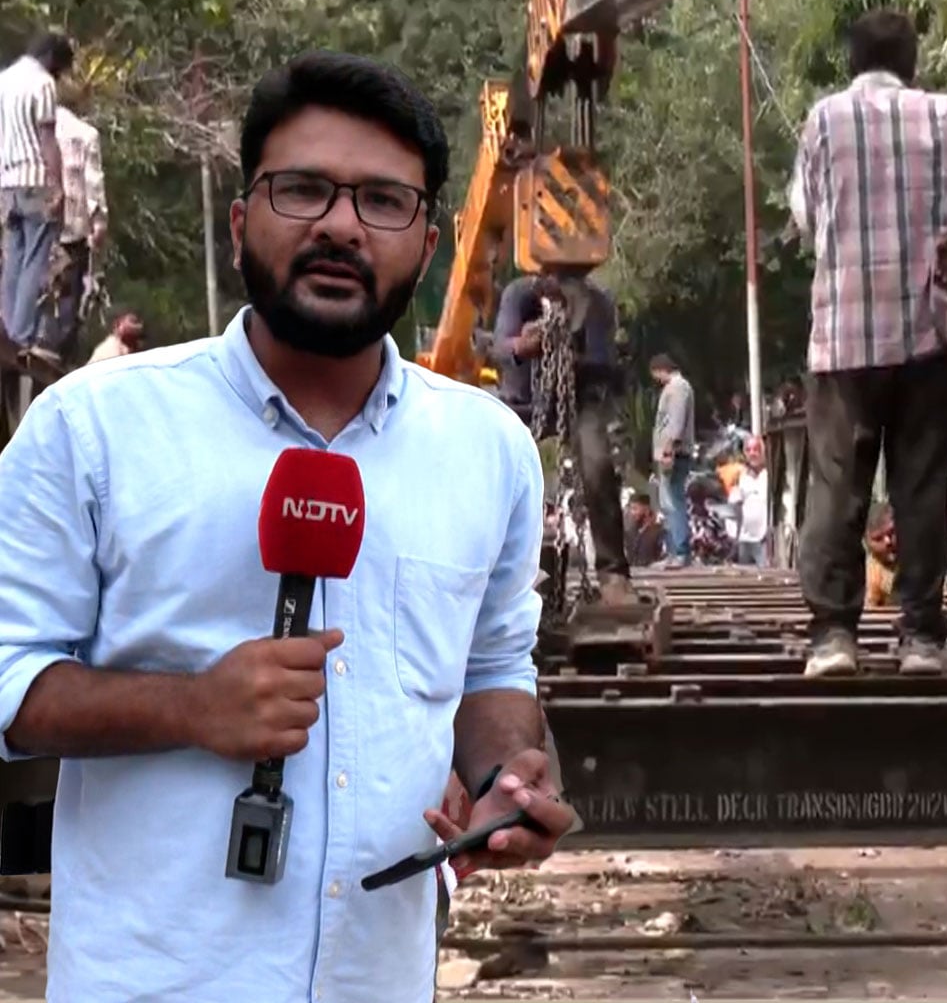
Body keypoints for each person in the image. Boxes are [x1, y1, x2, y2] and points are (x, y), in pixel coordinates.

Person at [0, 51, 576, 1002]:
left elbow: (490, 670)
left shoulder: (489, 450)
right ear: (240, 225)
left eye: (384, 202)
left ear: (429, 244)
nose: (342, 226)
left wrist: (509, 774)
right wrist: (192, 709)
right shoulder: (93, 428)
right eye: (304, 190)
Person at [787, 9, 947, 678]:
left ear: (852, 60)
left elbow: (805, 217)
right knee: (920, 488)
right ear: (912, 59)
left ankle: (833, 637)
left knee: (836, 489)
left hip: (841, 340)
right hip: (927, 333)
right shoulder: (943, 113)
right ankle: (921, 639)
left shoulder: (822, 121)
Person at [491, 270, 633, 603]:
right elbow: (500, 345)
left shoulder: (597, 302)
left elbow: (604, 362)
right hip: (523, 401)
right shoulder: (518, 294)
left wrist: (566, 353)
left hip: (577, 402)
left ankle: (613, 575)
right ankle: (484, 567)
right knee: (494, 466)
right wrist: (522, 345)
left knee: (597, 462)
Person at [0, 32, 73, 349]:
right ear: (52, 58)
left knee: (14, 257)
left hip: (8, 182)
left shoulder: (4, 80)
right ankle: (21, 334)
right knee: (36, 259)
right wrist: (58, 188)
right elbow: (47, 140)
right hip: (36, 179)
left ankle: (7, 327)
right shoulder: (43, 84)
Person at [30, 79, 108, 364]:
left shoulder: (34, 131)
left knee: (36, 279)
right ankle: (59, 347)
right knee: (69, 289)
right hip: (73, 225)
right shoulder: (86, 134)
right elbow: (93, 182)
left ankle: (35, 335)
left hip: (38, 219)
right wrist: (98, 221)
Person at [650, 352, 695, 566]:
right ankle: (673, 551)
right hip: (671, 452)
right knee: (667, 503)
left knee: (673, 501)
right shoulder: (675, 388)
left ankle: (680, 550)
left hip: (674, 453)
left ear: (661, 369)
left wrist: (668, 450)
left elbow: (675, 422)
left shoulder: (678, 388)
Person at [730, 435, 771, 566]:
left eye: (756, 449)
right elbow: (735, 507)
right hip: (744, 538)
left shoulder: (770, 476)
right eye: (749, 450)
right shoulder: (740, 476)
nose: (752, 453)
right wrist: (735, 537)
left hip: (763, 539)